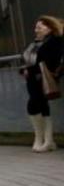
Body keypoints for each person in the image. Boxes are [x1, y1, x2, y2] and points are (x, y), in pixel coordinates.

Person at [21, 15, 63, 152]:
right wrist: (24, 70)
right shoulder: (35, 44)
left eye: (39, 27)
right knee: (41, 106)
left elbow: (49, 61)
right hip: (33, 78)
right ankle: (47, 141)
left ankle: (41, 139)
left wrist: (29, 69)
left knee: (33, 105)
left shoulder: (55, 41)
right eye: (36, 27)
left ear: (49, 28)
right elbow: (25, 60)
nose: (36, 30)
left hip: (43, 78)